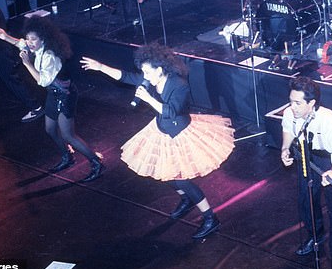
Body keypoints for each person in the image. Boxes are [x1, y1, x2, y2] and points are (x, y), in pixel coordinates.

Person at [80, 44, 234, 239]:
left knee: (181, 178)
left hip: (180, 133)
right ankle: (185, 199)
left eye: (147, 71)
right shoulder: (150, 79)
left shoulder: (179, 85)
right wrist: (101, 67)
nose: (144, 75)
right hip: (161, 130)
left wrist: (147, 98)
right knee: (165, 172)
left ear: (159, 69)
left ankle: (211, 218)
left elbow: (171, 111)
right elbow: (126, 77)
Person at [0, 16, 103, 182]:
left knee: (68, 135)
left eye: (33, 39)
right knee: (50, 129)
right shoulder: (35, 47)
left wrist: (27, 64)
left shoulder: (49, 56)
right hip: (53, 93)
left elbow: (42, 81)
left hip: (65, 95)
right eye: (29, 38)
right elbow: (21, 43)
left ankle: (96, 162)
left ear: (42, 39)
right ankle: (68, 156)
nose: (30, 42)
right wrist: (4, 37)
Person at [281, 77, 332, 269]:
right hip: (306, 158)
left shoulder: (331, 122)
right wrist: (285, 149)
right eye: (291, 101)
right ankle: (316, 236)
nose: (292, 107)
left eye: (297, 103)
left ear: (311, 103)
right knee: (306, 203)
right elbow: (288, 130)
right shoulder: (289, 113)